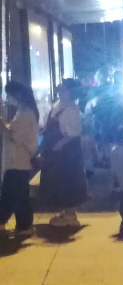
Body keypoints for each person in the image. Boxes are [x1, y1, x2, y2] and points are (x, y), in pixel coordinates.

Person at [40, 80, 89, 227]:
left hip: (66, 153)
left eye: (62, 86)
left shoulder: (71, 109)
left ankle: (71, 215)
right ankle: (67, 212)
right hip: (58, 150)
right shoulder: (59, 105)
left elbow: (74, 132)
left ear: (69, 91)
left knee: (67, 180)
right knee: (59, 181)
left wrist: (59, 144)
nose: (59, 87)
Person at [0, 81, 40, 238]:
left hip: (18, 160)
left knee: (18, 194)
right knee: (10, 192)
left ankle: (25, 225)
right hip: (15, 160)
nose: (8, 99)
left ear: (17, 95)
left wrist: (3, 127)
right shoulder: (23, 111)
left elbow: (17, 137)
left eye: (9, 95)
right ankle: (5, 221)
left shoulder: (26, 113)